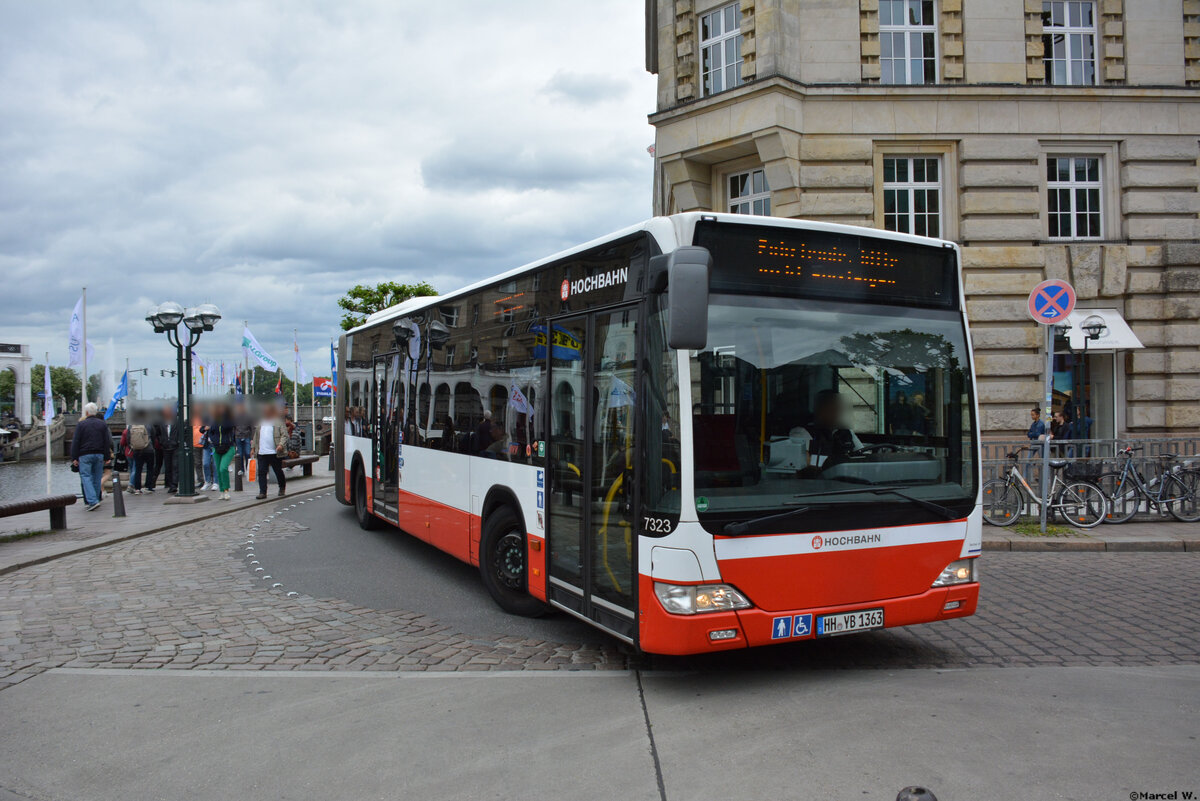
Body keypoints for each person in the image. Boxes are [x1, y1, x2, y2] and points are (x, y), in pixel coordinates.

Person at [794, 389, 863, 477]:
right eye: (832, 409)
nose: (837, 413)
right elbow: (804, 464)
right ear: (820, 410)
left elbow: (862, 456)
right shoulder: (801, 432)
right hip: (817, 485)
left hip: (846, 483)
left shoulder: (846, 432)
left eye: (839, 409)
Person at [71, 402, 112, 511]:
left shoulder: (81, 424)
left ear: (87, 412)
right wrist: (107, 457)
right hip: (99, 454)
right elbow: (106, 442)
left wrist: (74, 457)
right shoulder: (102, 424)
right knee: (96, 477)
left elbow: (76, 441)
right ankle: (96, 499)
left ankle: (92, 501)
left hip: (85, 454)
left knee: (86, 477)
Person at [251, 403, 289, 499]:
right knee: (262, 472)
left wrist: (280, 445)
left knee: (277, 471)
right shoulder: (261, 423)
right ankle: (262, 492)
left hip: (274, 452)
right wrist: (253, 448)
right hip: (262, 452)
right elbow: (256, 436)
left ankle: (282, 487)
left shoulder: (278, 422)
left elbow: (285, 435)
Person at [207, 404, 237, 500]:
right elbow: (211, 432)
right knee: (218, 469)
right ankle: (222, 491)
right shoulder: (215, 420)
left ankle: (226, 490)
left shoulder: (229, 419)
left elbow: (228, 427)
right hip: (216, 447)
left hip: (228, 447)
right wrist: (213, 440)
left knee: (223, 468)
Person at [126, 411, 156, 494]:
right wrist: (152, 446)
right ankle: (148, 487)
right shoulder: (149, 424)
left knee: (138, 469)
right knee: (150, 468)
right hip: (149, 449)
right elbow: (153, 436)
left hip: (137, 450)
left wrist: (132, 446)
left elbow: (128, 438)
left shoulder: (132, 425)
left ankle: (137, 488)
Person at [159, 403, 179, 493]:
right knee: (168, 467)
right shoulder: (161, 422)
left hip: (175, 447)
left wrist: (177, 442)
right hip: (165, 447)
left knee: (175, 466)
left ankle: (174, 485)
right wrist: (162, 442)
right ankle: (170, 484)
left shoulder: (177, 421)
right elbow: (157, 433)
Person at [233, 402, 254, 486]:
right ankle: (241, 469)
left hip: (246, 436)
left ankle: (248, 469)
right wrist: (234, 436)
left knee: (248, 453)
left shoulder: (248, 416)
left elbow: (252, 428)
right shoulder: (235, 417)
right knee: (240, 455)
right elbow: (233, 427)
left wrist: (252, 438)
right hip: (238, 437)